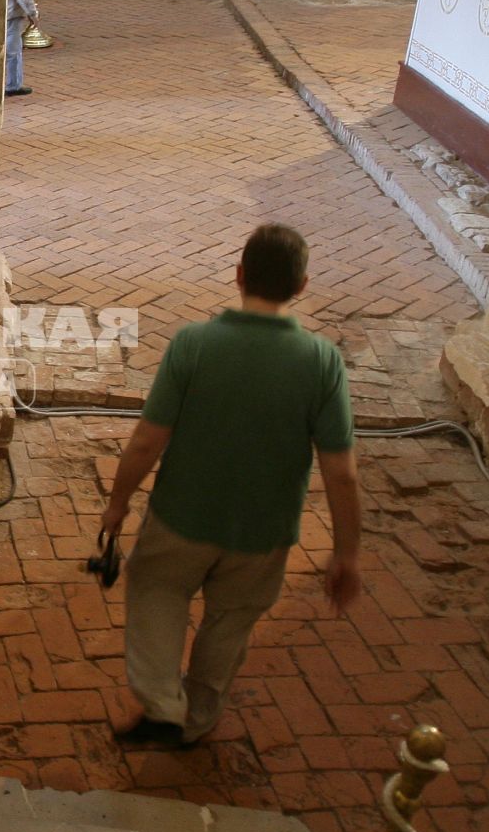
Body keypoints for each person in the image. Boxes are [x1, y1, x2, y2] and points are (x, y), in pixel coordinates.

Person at [97, 224, 363, 750]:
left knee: (156, 592)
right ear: (302, 285)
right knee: (231, 621)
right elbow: (341, 472)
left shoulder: (194, 345)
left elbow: (148, 442)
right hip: (265, 532)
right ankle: (197, 719)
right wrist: (346, 554)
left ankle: (162, 704)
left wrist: (117, 504)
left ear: (239, 275)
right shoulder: (322, 362)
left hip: (181, 516)